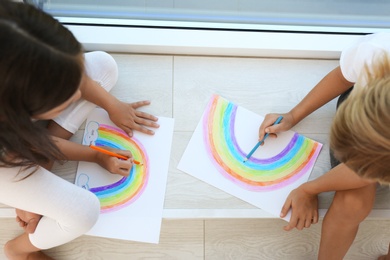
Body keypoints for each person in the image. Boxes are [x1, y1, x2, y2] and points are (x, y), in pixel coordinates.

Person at [0, 1, 159, 259]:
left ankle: (43, 164)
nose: (78, 93)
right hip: (5, 164)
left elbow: (80, 78)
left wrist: (112, 104)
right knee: (84, 212)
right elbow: (30, 144)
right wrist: (94, 154)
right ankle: (18, 250)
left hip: (18, 133)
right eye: (65, 97)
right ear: (23, 115)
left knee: (104, 65)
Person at [258, 32, 390, 259]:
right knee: (352, 202)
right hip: (368, 112)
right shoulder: (378, 51)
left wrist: (309, 188)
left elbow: (366, 171)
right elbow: (344, 77)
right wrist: (293, 115)